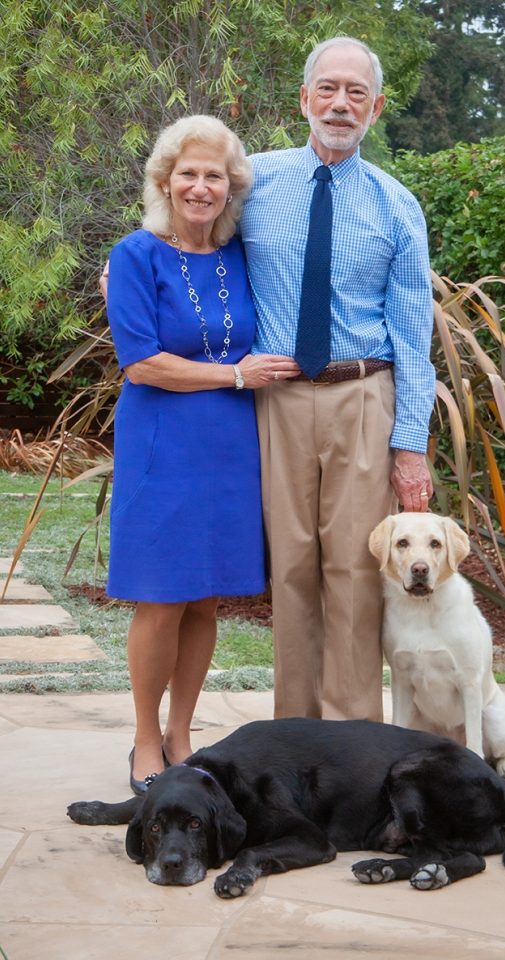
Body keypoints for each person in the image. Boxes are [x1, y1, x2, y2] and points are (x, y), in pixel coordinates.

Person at [240, 37, 435, 722]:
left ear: (376, 109)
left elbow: (414, 333)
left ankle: (353, 742)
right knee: (290, 569)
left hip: (363, 397)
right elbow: (187, 223)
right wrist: (131, 260)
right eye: (328, 88)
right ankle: (295, 738)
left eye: (356, 92)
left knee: (355, 570)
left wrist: (410, 444)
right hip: (279, 400)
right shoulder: (253, 180)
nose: (340, 103)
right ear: (304, 99)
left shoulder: (396, 205)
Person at [105, 115, 299, 793]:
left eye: (214, 174)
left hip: (229, 447)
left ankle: (183, 732)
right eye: (188, 172)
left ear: (230, 186)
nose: (200, 186)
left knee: (207, 599)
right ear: (165, 180)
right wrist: (237, 375)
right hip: (162, 443)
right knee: (161, 597)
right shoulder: (135, 255)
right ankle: (143, 738)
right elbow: (142, 364)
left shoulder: (240, 254)